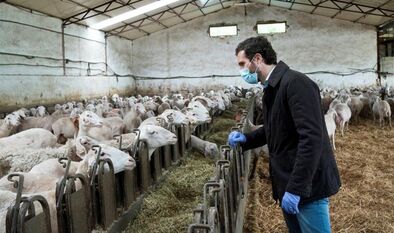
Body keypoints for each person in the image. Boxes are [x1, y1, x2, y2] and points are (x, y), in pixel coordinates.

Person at [228, 36, 341, 233]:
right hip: (288, 183)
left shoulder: (296, 84)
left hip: (307, 187)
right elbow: (275, 127)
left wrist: (296, 188)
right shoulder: (273, 88)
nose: (241, 71)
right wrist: (247, 138)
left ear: (257, 59)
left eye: (242, 64)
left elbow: (312, 138)